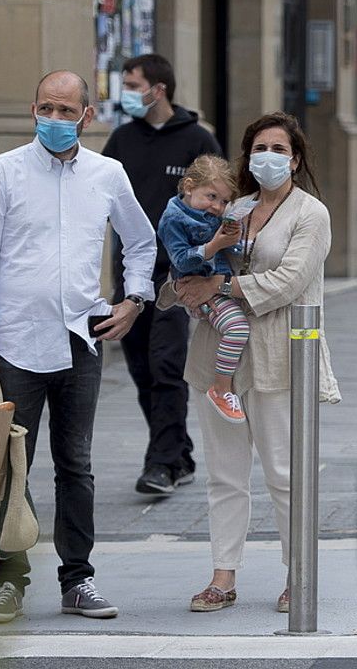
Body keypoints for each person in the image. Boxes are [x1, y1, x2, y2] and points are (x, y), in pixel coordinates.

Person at [0, 70, 157, 624]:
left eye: (66, 110)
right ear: (33, 110)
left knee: (76, 465)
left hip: (81, 340)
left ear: (86, 117)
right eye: (46, 108)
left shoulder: (107, 174)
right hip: (15, 342)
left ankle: (78, 580)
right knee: (11, 467)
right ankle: (10, 581)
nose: (54, 119)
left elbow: (141, 242)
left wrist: (133, 301)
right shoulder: (3, 172)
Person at [174, 112, 339, 615]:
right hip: (216, 355)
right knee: (224, 474)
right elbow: (192, 259)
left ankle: (299, 573)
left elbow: (289, 282)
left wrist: (219, 287)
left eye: (278, 148)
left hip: (278, 355)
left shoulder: (311, 214)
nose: (267, 156)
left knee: (285, 474)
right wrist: (185, 285)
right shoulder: (232, 207)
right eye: (258, 147)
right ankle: (223, 576)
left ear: (295, 158)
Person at [102, 53, 221, 496]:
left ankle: (161, 465)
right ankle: (179, 452)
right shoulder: (120, 142)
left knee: (166, 364)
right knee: (140, 367)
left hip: (176, 273)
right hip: (130, 274)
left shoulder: (196, 140)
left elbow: (217, 201)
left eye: (134, 85)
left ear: (159, 88)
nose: (128, 93)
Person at [156, 154, 251, 425]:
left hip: (217, 281)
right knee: (238, 328)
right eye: (212, 197)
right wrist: (215, 245)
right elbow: (181, 259)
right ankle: (221, 389)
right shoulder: (173, 219)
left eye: (223, 201)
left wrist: (234, 241)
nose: (217, 207)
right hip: (199, 286)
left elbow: (225, 247)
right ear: (188, 187)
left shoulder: (206, 212)